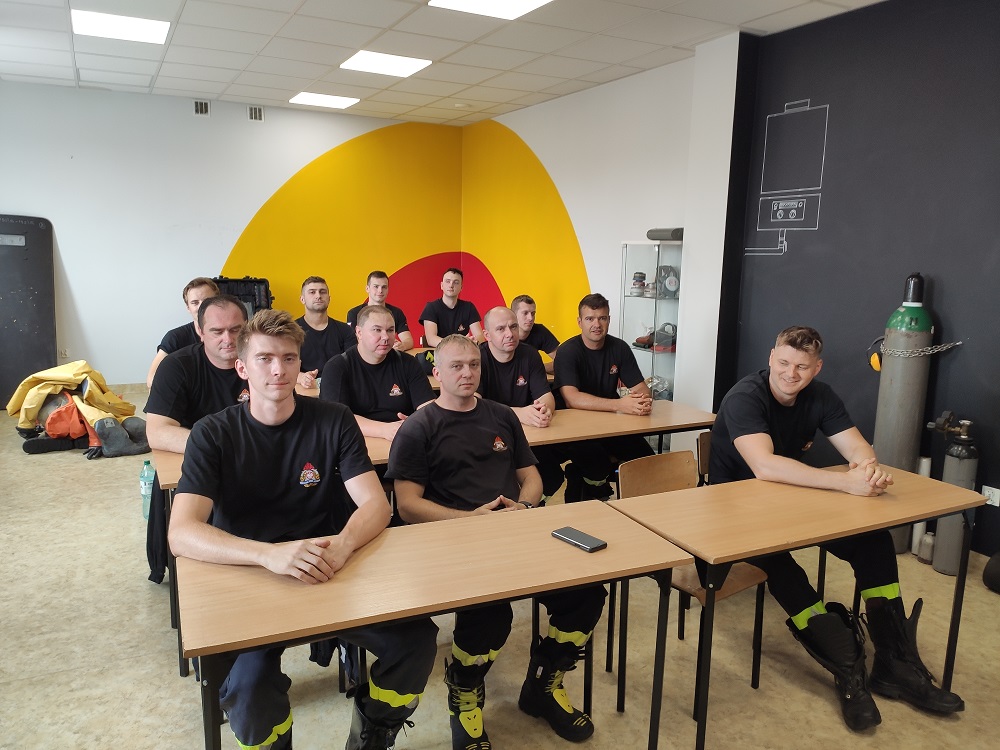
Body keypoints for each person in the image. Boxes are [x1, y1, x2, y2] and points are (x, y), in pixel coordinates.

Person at [168, 309, 437, 750]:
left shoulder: (334, 419)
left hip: (329, 569)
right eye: (265, 359)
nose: (278, 369)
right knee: (249, 686)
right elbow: (181, 532)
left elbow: (375, 504)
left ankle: (373, 734)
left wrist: (344, 545)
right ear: (242, 367)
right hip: (252, 576)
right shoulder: (211, 434)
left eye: (289, 358)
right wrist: (267, 554)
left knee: (417, 641)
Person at [710, 325, 964, 731]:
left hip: (791, 499)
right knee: (783, 568)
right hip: (733, 509)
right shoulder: (745, 397)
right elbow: (765, 466)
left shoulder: (821, 395)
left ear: (817, 368)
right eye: (784, 363)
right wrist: (846, 483)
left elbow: (857, 446)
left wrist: (867, 468)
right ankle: (848, 671)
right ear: (771, 357)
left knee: (874, 543)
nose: (790, 373)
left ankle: (895, 665)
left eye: (802, 367)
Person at [386, 335, 606, 750]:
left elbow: (531, 476)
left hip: (514, 531)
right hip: (453, 541)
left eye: (473, 364)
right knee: (491, 616)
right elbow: (409, 505)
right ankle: (465, 697)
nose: (467, 373)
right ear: (437, 373)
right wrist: (470, 520)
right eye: (456, 366)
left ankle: (543, 684)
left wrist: (525, 507)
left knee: (586, 593)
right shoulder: (419, 427)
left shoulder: (501, 415)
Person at [144, 294, 250, 583]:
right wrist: (222, 448)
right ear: (200, 331)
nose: (228, 339)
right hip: (195, 463)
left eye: (236, 329)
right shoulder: (177, 367)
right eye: (217, 331)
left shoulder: (259, 361)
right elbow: (157, 432)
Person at [553, 292, 654, 501]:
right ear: (579, 322)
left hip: (611, 425)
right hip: (575, 429)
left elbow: (642, 389)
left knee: (648, 460)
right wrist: (621, 405)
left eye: (602, 318)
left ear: (609, 320)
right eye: (590, 318)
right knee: (596, 463)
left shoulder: (619, 348)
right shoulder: (568, 351)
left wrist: (640, 401)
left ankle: (639, 509)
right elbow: (572, 399)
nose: (596, 324)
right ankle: (594, 495)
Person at [479, 306, 564, 501]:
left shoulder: (530, 355)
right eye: (501, 329)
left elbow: (546, 395)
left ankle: (531, 507)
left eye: (513, 327)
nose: (509, 334)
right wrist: (519, 413)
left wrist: (544, 410)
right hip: (488, 434)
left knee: (553, 476)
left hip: (526, 434)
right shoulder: (477, 358)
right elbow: (474, 404)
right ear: (487, 335)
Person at [320, 305, 435, 444]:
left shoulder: (409, 363)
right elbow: (336, 418)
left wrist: (417, 423)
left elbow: (428, 407)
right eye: (377, 330)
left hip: (403, 438)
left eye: (390, 330)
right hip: (356, 441)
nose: (385, 337)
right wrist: (384, 430)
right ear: (359, 332)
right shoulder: (337, 367)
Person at [146, 276, 219, 387]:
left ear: (219, 302)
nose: (201, 306)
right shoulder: (174, 337)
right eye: (195, 302)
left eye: (207, 301)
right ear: (188, 308)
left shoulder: (233, 335)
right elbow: (152, 379)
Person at [295, 276, 355, 389]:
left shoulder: (345, 331)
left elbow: (353, 366)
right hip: (303, 390)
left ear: (329, 298)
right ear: (302, 299)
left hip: (338, 389)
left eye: (322, 292)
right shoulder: (290, 331)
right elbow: (282, 365)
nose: (318, 296)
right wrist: (300, 377)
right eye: (312, 292)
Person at [346, 271, 414, 351]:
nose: (380, 290)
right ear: (367, 289)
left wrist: (402, 346)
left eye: (384, 287)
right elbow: (352, 342)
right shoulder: (354, 313)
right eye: (376, 286)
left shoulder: (396, 312)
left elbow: (408, 340)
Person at [419, 267, 484, 347]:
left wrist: (473, 341)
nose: (451, 285)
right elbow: (431, 339)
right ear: (442, 285)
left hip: (462, 351)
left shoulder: (469, 307)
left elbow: (480, 336)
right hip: (439, 352)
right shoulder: (431, 307)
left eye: (456, 282)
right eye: (448, 281)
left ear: (461, 287)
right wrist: (457, 345)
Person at [511, 294, 560, 374]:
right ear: (513, 315)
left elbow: (563, 361)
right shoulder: (504, 334)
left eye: (533, 313)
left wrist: (536, 368)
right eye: (525, 313)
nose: (530, 318)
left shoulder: (540, 331)